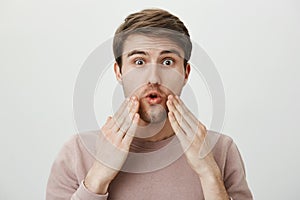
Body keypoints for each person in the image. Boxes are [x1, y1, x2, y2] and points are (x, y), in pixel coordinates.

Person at [46, 8, 253, 200]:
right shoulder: (76, 153)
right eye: (139, 61)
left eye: (167, 62)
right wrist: (98, 175)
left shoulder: (222, 150)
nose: (153, 78)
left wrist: (209, 174)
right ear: (119, 72)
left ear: (185, 73)